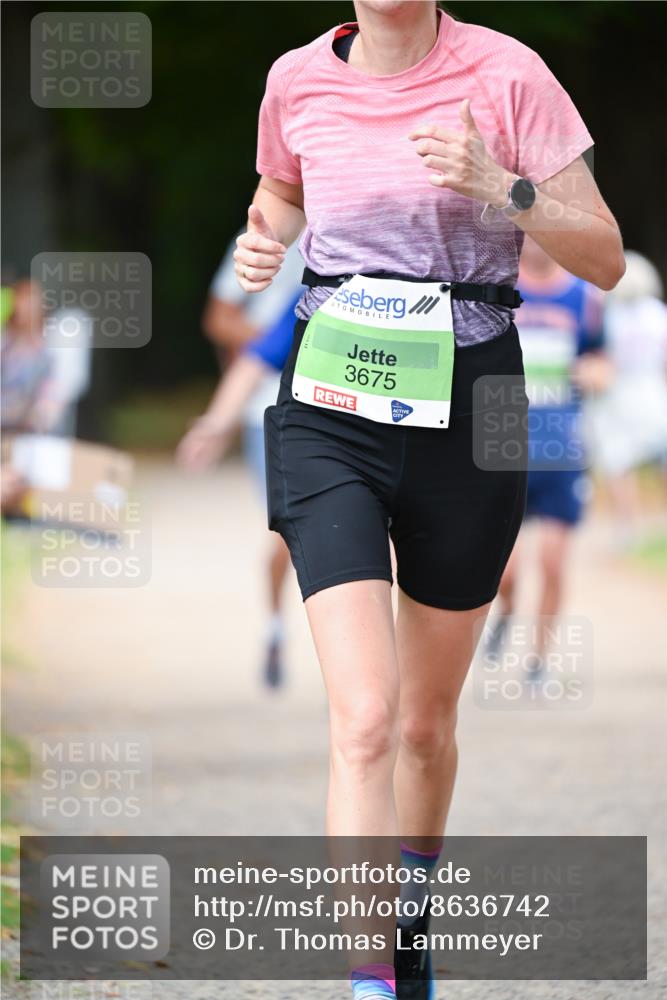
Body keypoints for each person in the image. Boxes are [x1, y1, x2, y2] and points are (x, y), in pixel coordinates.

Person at [234, 3, 624, 998]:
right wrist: (261, 238)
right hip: (331, 405)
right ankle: (370, 979)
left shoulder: (508, 73)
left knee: (421, 725)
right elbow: (279, 190)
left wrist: (500, 185)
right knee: (364, 718)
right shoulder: (297, 78)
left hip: (473, 411)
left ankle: (409, 923)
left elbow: (603, 257)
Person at [182, 237, 303, 686]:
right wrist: (217, 422)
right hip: (269, 412)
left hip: (347, 420)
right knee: (287, 532)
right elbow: (222, 322)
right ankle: (275, 625)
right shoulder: (265, 240)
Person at [487, 238, 608, 678]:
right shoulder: (495, 283)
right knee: (503, 570)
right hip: (502, 436)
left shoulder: (584, 296)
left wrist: (594, 373)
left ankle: (538, 661)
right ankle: (506, 611)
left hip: (560, 442)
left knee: (553, 562)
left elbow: (601, 359)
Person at [584, 251, 667, 546]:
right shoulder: (658, 314)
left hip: (618, 396)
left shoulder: (608, 316)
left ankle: (626, 528)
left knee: (619, 463)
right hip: (653, 392)